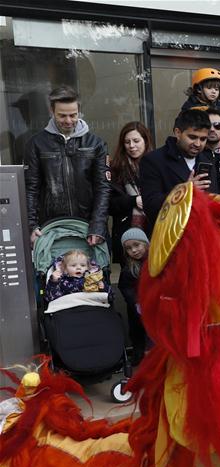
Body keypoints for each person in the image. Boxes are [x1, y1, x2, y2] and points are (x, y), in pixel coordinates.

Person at [24, 85, 110, 247]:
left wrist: (98, 225)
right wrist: (31, 226)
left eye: (73, 115)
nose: (68, 121)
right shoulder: (36, 144)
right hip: (50, 229)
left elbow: (103, 188)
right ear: (51, 111)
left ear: (79, 111)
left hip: (89, 228)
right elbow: (31, 188)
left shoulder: (96, 144)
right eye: (62, 115)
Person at [139, 109, 220, 231]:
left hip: (203, 234)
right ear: (178, 132)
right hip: (169, 235)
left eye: (203, 139)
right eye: (192, 137)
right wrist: (185, 191)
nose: (198, 144)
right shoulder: (153, 161)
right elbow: (151, 206)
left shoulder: (207, 161)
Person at [108, 121, 153, 264]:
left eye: (136, 141)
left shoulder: (157, 165)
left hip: (154, 229)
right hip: (127, 234)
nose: (132, 146)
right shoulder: (115, 168)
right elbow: (109, 204)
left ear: (145, 141)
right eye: (127, 142)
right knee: (129, 274)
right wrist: (134, 200)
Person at [118, 227, 151, 364]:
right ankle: (138, 355)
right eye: (129, 248)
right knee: (137, 331)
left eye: (137, 245)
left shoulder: (155, 261)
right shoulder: (129, 269)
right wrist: (136, 302)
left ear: (146, 243)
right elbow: (125, 287)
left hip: (155, 303)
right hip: (138, 306)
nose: (134, 250)